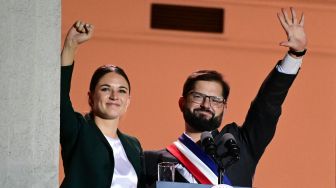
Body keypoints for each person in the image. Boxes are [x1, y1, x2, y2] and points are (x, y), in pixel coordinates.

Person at [145, 7, 307, 188]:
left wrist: (295, 55)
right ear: (182, 103)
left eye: (215, 100)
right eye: (198, 96)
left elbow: (266, 106)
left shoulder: (238, 147)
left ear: (224, 107)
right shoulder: (151, 161)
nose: (207, 104)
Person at [60, 21, 145, 188]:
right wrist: (70, 46)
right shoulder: (78, 130)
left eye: (122, 91)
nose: (114, 96)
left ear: (128, 101)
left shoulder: (133, 145)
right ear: (91, 97)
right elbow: (58, 96)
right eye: (106, 89)